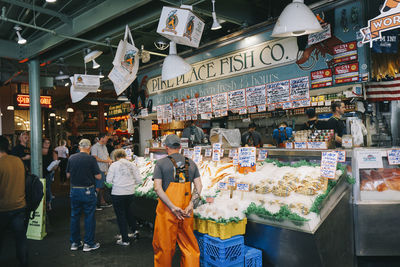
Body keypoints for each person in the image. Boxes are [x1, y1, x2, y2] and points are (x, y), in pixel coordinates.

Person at [152, 134, 202, 267]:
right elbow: (199, 186)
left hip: (168, 212)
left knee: (164, 248)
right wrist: (191, 204)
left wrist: (173, 207)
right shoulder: (191, 163)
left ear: (166, 147)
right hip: (186, 211)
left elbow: (157, 188)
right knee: (189, 246)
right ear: (180, 147)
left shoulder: (161, 163)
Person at [66, 139, 102, 252]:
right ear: (89, 147)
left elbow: (68, 175)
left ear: (80, 147)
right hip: (87, 190)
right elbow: (98, 177)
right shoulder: (91, 159)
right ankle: (88, 243)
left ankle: (75, 243)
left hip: (74, 190)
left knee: (74, 216)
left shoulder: (71, 158)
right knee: (89, 216)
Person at [0, 135, 28, 266]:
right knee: (20, 238)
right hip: (20, 205)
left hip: (3, 208)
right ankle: (23, 262)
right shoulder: (17, 161)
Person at [106, 149, 142, 246]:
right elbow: (139, 180)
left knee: (121, 215)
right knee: (129, 212)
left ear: (116, 157)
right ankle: (135, 231)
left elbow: (108, 180)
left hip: (118, 193)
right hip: (130, 192)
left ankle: (125, 239)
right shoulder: (132, 165)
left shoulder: (114, 165)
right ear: (125, 155)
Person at [91, 133, 113, 210]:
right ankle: (94, 205)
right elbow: (95, 158)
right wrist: (105, 161)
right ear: (102, 138)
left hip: (105, 169)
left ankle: (102, 202)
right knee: (98, 187)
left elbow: (107, 156)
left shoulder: (104, 146)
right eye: (106, 138)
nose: (107, 140)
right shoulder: (94, 147)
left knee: (103, 187)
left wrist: (109, 161)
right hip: (99, 169)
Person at [42, 138, 58, 211]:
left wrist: (54, 167)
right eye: (45, 142)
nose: (47, 144)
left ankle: (48, 203)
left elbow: (56, 162)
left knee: (47, 188)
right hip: (40, 170)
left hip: (48, 172)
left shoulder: (52, 152)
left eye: (48, 143)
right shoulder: (38, 150)